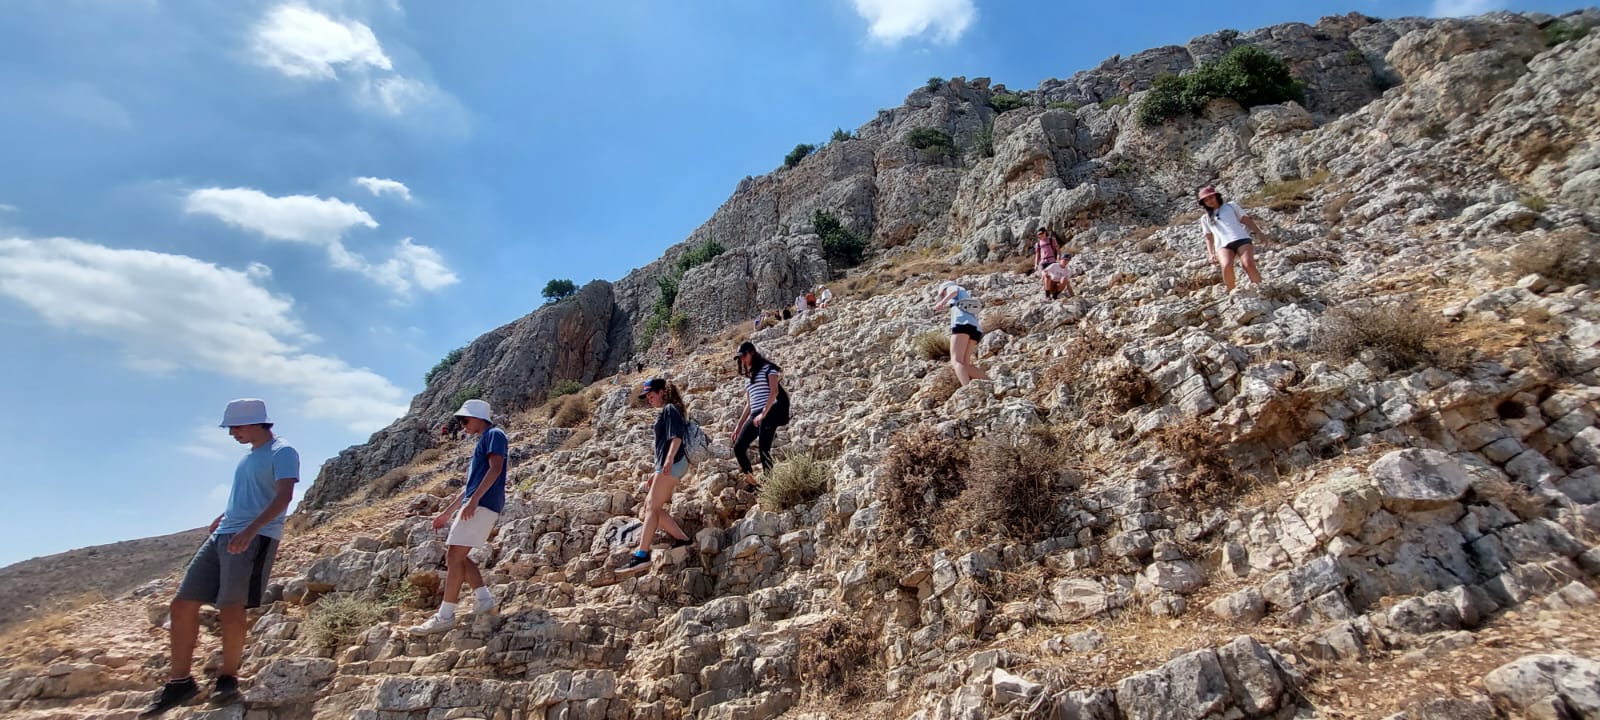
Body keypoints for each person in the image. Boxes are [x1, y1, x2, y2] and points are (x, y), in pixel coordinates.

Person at [141, 399, 297, 717]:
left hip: (254, 537)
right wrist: (223, 516)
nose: (232, 434)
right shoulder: (247, 459)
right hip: (223, 534)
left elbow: (284, 496)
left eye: (236, 427)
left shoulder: (284, 452)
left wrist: (251, 531)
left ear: (257, 423)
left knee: (231, 606)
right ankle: (180, 682)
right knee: (182, 603)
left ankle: (228, 678)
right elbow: (249, 495)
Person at [410, 398, 507, 634]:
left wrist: (473, 502)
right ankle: (483, 600)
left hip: (482, 504)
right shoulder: (483, 441)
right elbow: (469, 486)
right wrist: (447, 512)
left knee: (454, 556)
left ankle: (445, 616)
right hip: (478, 503)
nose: (462, 424)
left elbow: (496, 469)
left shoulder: (495, 434)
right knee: (459, 556)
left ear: (478, 418)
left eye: (465, 419)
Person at [618, 378, 695, 575]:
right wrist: (657, 471)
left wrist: (668, 462)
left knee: (652, 506)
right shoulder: (669, 410)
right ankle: (683, 540)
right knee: (650, 507)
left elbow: (675, 437)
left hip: (674, 462)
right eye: (647, 397)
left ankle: (641, 555)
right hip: (668, 464)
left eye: (651, 395)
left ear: (662, 392)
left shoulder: (670, 409)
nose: (649, 400)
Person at [731, 341, 787, 489]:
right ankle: (752, 481)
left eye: (744, 355)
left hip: (770, 411)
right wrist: (739, 425)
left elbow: (774, 391)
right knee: (739, 447)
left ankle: (771, 486)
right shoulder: (748, 378)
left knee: (764, 448)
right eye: (740, 357)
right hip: (756, 414)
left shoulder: (769, 369)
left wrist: (763, 414)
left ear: (752, 353)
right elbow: (749, 404)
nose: (742, 359)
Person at [1196, 185, 1265, 291]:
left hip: (1241, 239)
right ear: (1203, 203)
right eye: (1206, 200)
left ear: (1216, 196)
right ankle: (1232, 292)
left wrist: (1259, 232)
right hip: (1223, 245)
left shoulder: (1231, 206)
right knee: (1226, 266)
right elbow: (1208, 237)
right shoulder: (1205, 218)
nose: (1209, 201)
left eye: (1211, 197)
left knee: (1248, 264)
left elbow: (1245, 220)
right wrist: (1211, 254)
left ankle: (1260, 288)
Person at [930, 281, 990, 386]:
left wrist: (942, 303)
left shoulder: (951, 288)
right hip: (975, 329)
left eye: (942, 294)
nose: (943, 295)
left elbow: (953, 291)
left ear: (944, 290)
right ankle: (990, 383)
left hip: (962, 325)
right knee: (965, 365)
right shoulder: (964, 293)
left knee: (956, 361)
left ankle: (966, 388)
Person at [1032, 228, 1074, 300]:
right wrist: (1036, 264)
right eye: (1038, 234)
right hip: (1043, 262)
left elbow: (1057, 250)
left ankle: (1053, 290)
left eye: (1041, 233)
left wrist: (1058, 257)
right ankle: (1047, 293)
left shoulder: (1051, 240)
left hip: (1052, 260)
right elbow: (1037, 254)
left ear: (1045, 232)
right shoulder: (1038, 244)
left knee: (1054, 275)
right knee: (1045, 275)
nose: (1040, 235)